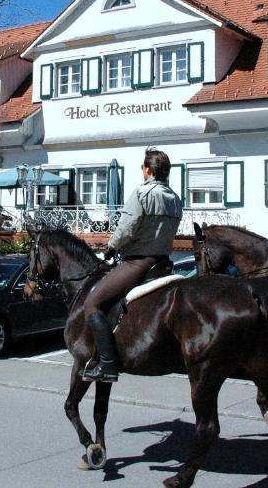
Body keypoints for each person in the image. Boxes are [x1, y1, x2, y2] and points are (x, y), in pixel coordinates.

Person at [80, 148, 183, 383]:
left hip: (138, 262)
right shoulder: (176, 199)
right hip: (164, 263)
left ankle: (107, 364)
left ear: (147, 170)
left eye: (143, 168)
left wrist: (111, 247)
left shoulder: (142, 194)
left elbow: (127, 228)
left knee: (93, 303)